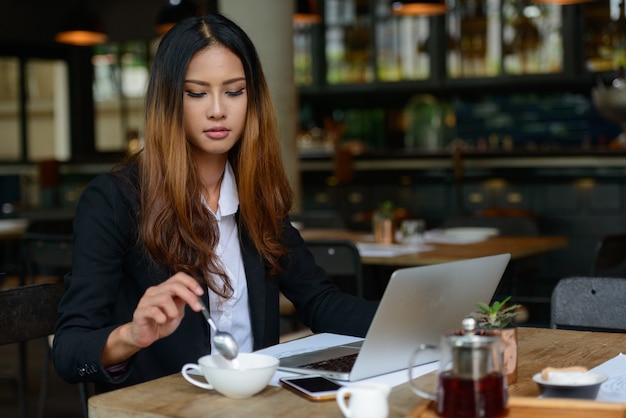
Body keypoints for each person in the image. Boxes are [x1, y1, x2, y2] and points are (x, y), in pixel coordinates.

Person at [52, 13, 378, 393]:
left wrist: (414, 323)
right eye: (197, 92)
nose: (218, 110)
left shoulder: (255, 195)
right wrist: (131, 335)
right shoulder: (114, 199)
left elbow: (319, 301)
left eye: (234, 91)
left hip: (255, 405)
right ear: (169, 99)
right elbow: (69, 351)